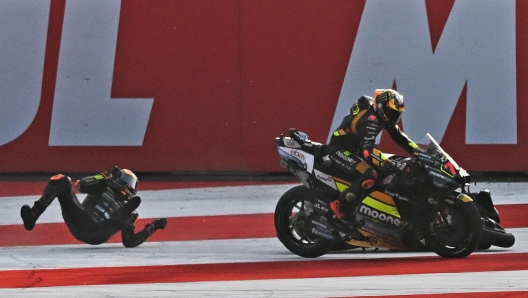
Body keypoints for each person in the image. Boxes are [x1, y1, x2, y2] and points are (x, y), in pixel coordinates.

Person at [328, 89, 422, 226]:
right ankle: (340, 205)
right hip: (340, 149)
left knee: (388, 171)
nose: (393, 116)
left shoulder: (380, 115)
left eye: (396, 114)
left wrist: (420, 152)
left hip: (356, 149)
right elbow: (368, 152)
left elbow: (401, 138)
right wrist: (389, 163)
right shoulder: (370, 119)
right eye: (391, 112)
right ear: (381, 107)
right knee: (371, 174)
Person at [20, 166, 167, 247]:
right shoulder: (103, 185)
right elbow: (80, 185)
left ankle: (118, 217)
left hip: (99, 233)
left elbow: (129, 241)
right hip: (82, 220)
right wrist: (105, 176)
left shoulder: (132, 212)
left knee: (128, 214)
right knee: (62, 180)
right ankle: (34, 213)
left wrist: (151, 228)